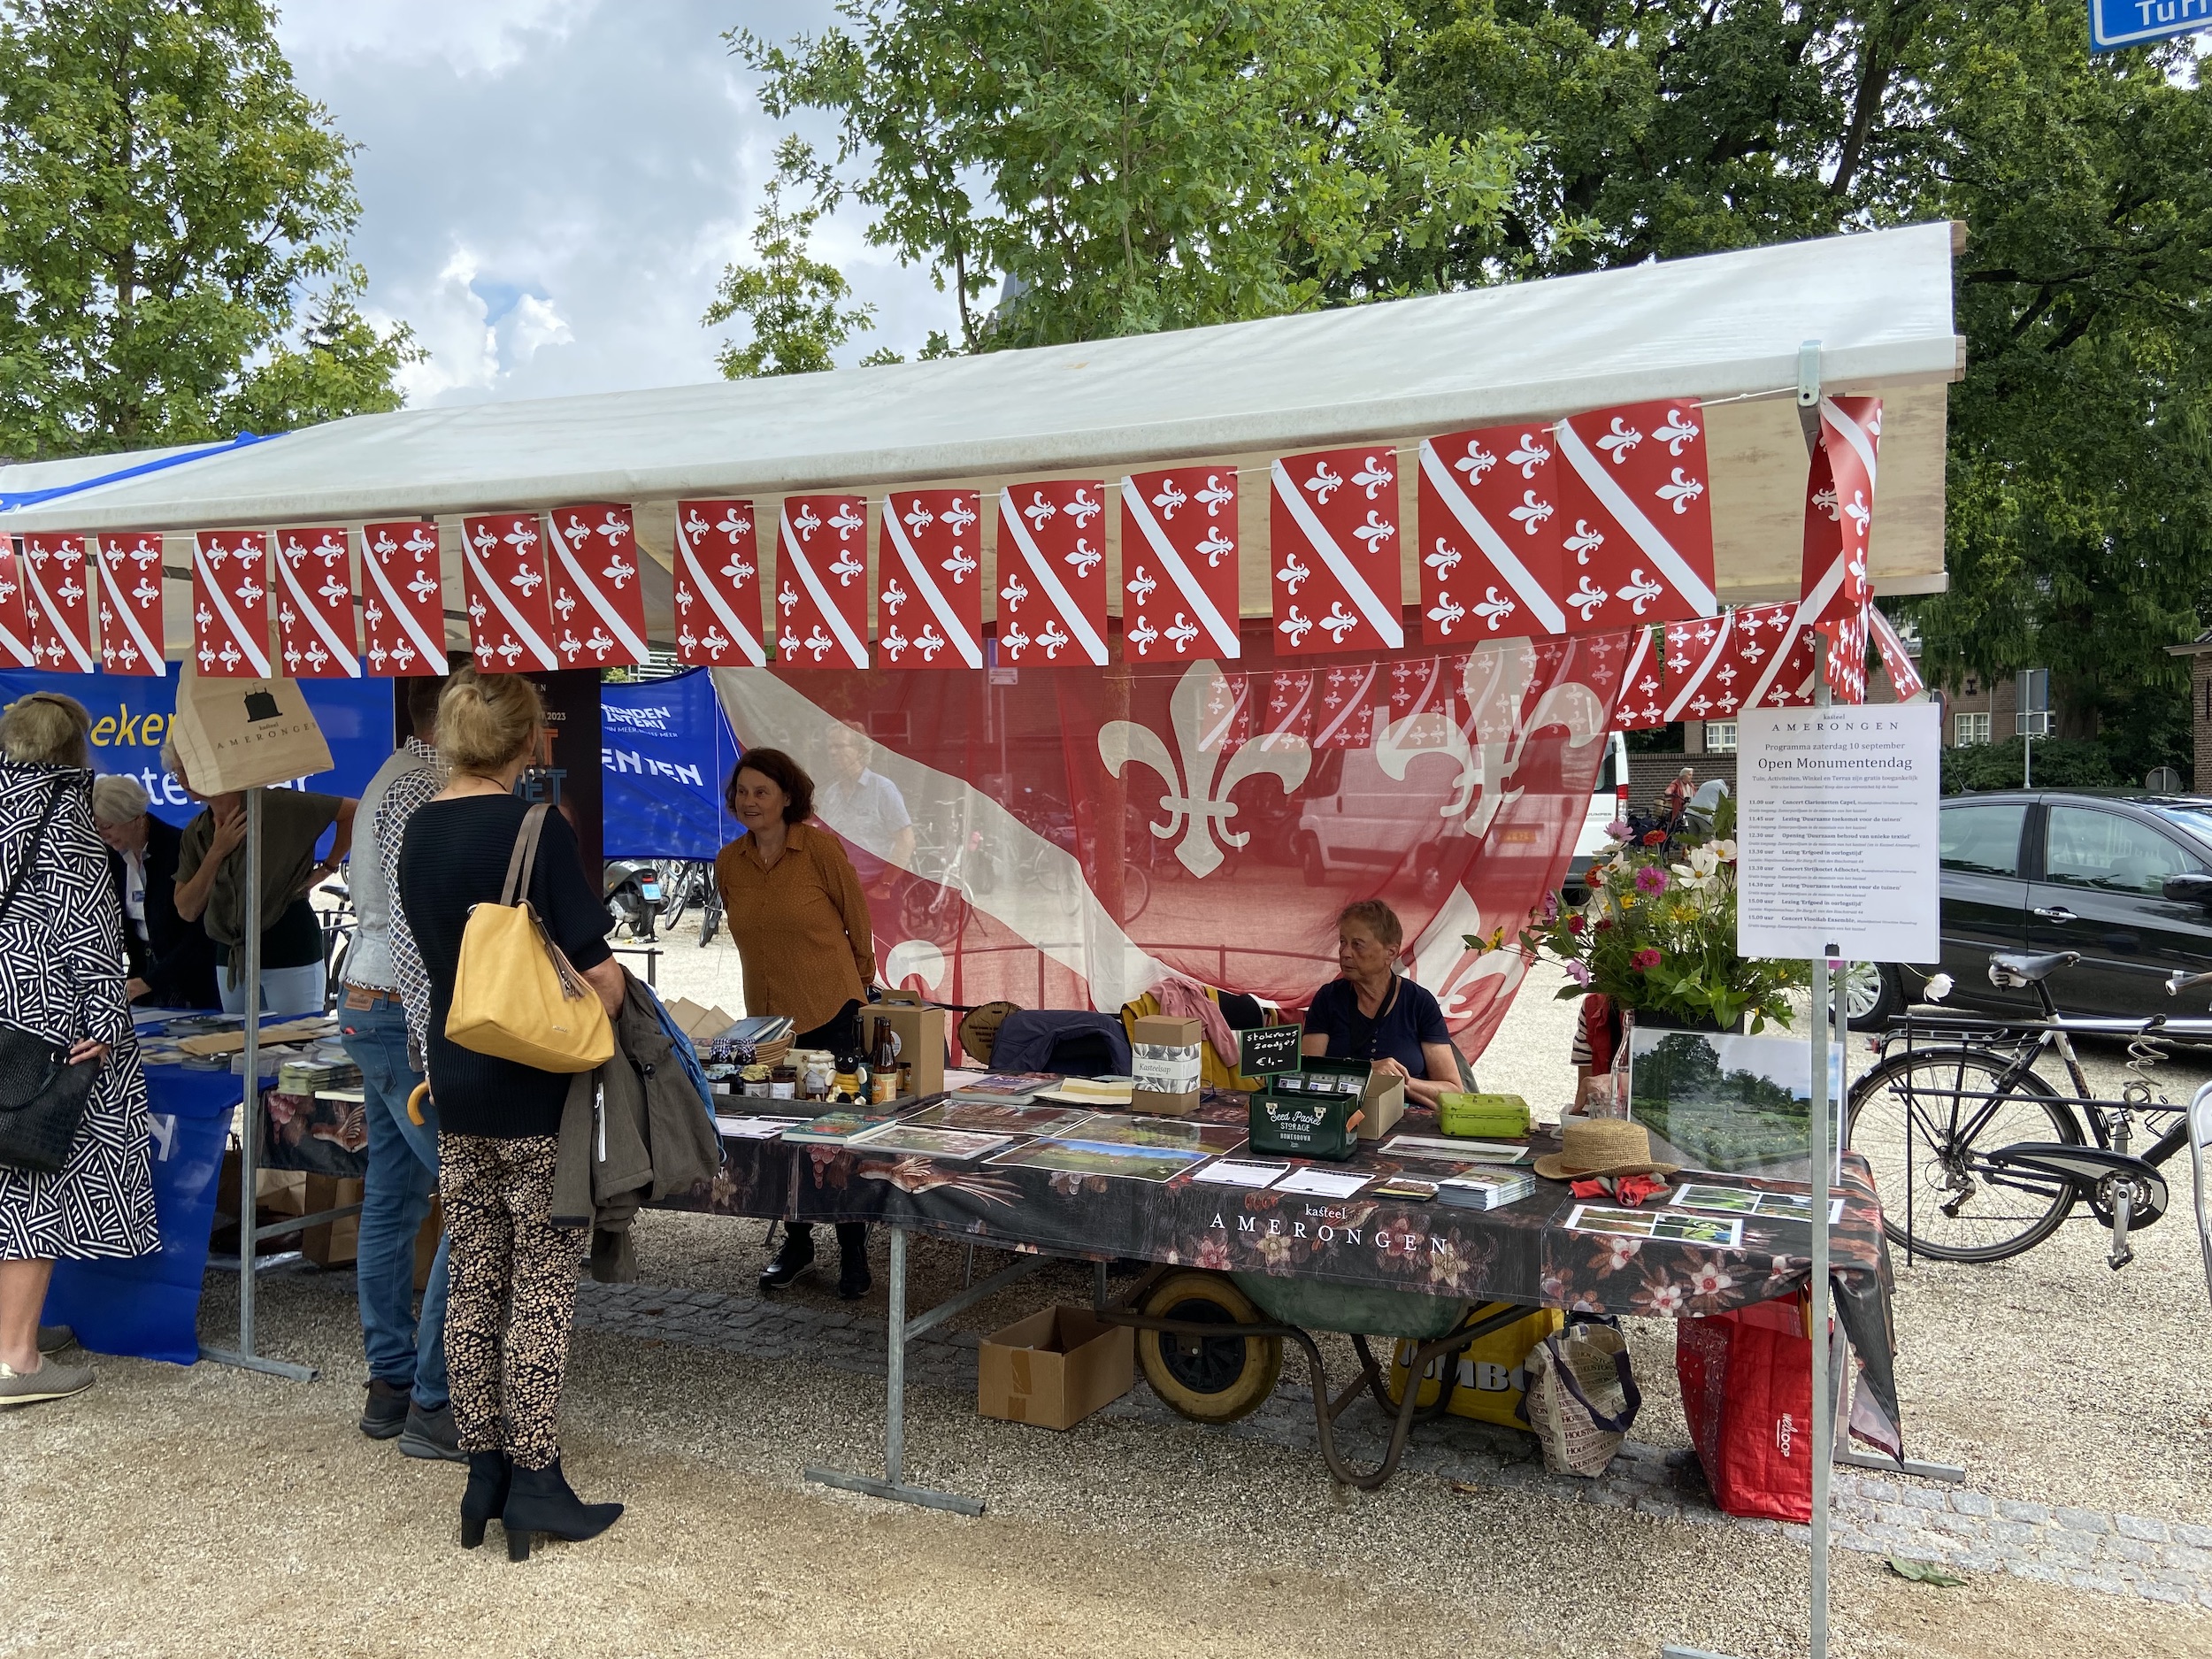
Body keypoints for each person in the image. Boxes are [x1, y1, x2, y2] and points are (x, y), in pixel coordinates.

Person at [399, 672, 627, 1558]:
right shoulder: (537, 830)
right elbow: (597, 973)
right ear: (532, 740)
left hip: (457, 1084)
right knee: (541, 1289)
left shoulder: (417, 833)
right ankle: (536, 1480)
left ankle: (481, 1471)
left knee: (473, 1282)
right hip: (538, 1093)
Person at [0, 693, 157, 1408]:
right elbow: (90, 941)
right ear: (74, 750)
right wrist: (109, 1026)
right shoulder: (67, 819)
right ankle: (17, 1358)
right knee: (36, 1179)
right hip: (46, 1032)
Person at [340, 672, 457, 1460]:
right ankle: (432, 1392)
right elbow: (419, 923)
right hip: (397, 1004)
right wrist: (428, 1035)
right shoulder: (420, 784)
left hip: (370, 993)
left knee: (393, 1196)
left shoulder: (395, 774)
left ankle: (392, 1380)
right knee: (471, 1186)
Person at [714, 747, 878, 1299]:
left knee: (838, 1137)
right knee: (782, 1135)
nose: (750, 801)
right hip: (766, 1025)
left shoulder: (819, 851)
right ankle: (798, 1241)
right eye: (742, 791)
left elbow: (858, 926)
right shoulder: (728, 861)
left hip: (832, 1012)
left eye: (762, 791)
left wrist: (852, 996)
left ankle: (853, 1248)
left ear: (788, 796)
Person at [167, 744, 357, 1018]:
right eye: (176, 773)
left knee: (296, 1043)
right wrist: (217, 851)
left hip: (288, 945)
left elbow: (352, 811)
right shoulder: (196, 831)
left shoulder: (277, 806)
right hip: (231, 955)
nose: (182, 780)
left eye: (185, 769)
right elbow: (186, 909)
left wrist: (327, 867)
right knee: (240, 1047)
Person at [1302, 900, 1462, 1111]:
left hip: (1407, 1124)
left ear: (1391, 953)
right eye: (1343, 942)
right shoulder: (1327, 999)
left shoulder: (1419, 1003)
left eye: (1357, 944)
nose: (1345, 952)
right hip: (1340, 1118)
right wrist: (1364, 1072)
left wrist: (1398, 1082)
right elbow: (1305, 1075)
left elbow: (1453, 1092)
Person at [92, 774, 219, 1010]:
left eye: (107, 826)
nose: (102, 835)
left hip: (188, 977)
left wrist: (152, 981)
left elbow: (201, 933)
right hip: (142, 976)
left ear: (135, 818)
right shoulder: (111, 858)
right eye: (97, 828)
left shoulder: (179, 848)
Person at [815, 720, 913, 891]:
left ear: (859, 750)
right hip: (842, 890)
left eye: (839, 746)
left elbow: (906, 841)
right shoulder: (831, 794)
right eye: (830, 747)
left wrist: (885, 885)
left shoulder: (882, 789)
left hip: (876, 889)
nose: (832, 752)